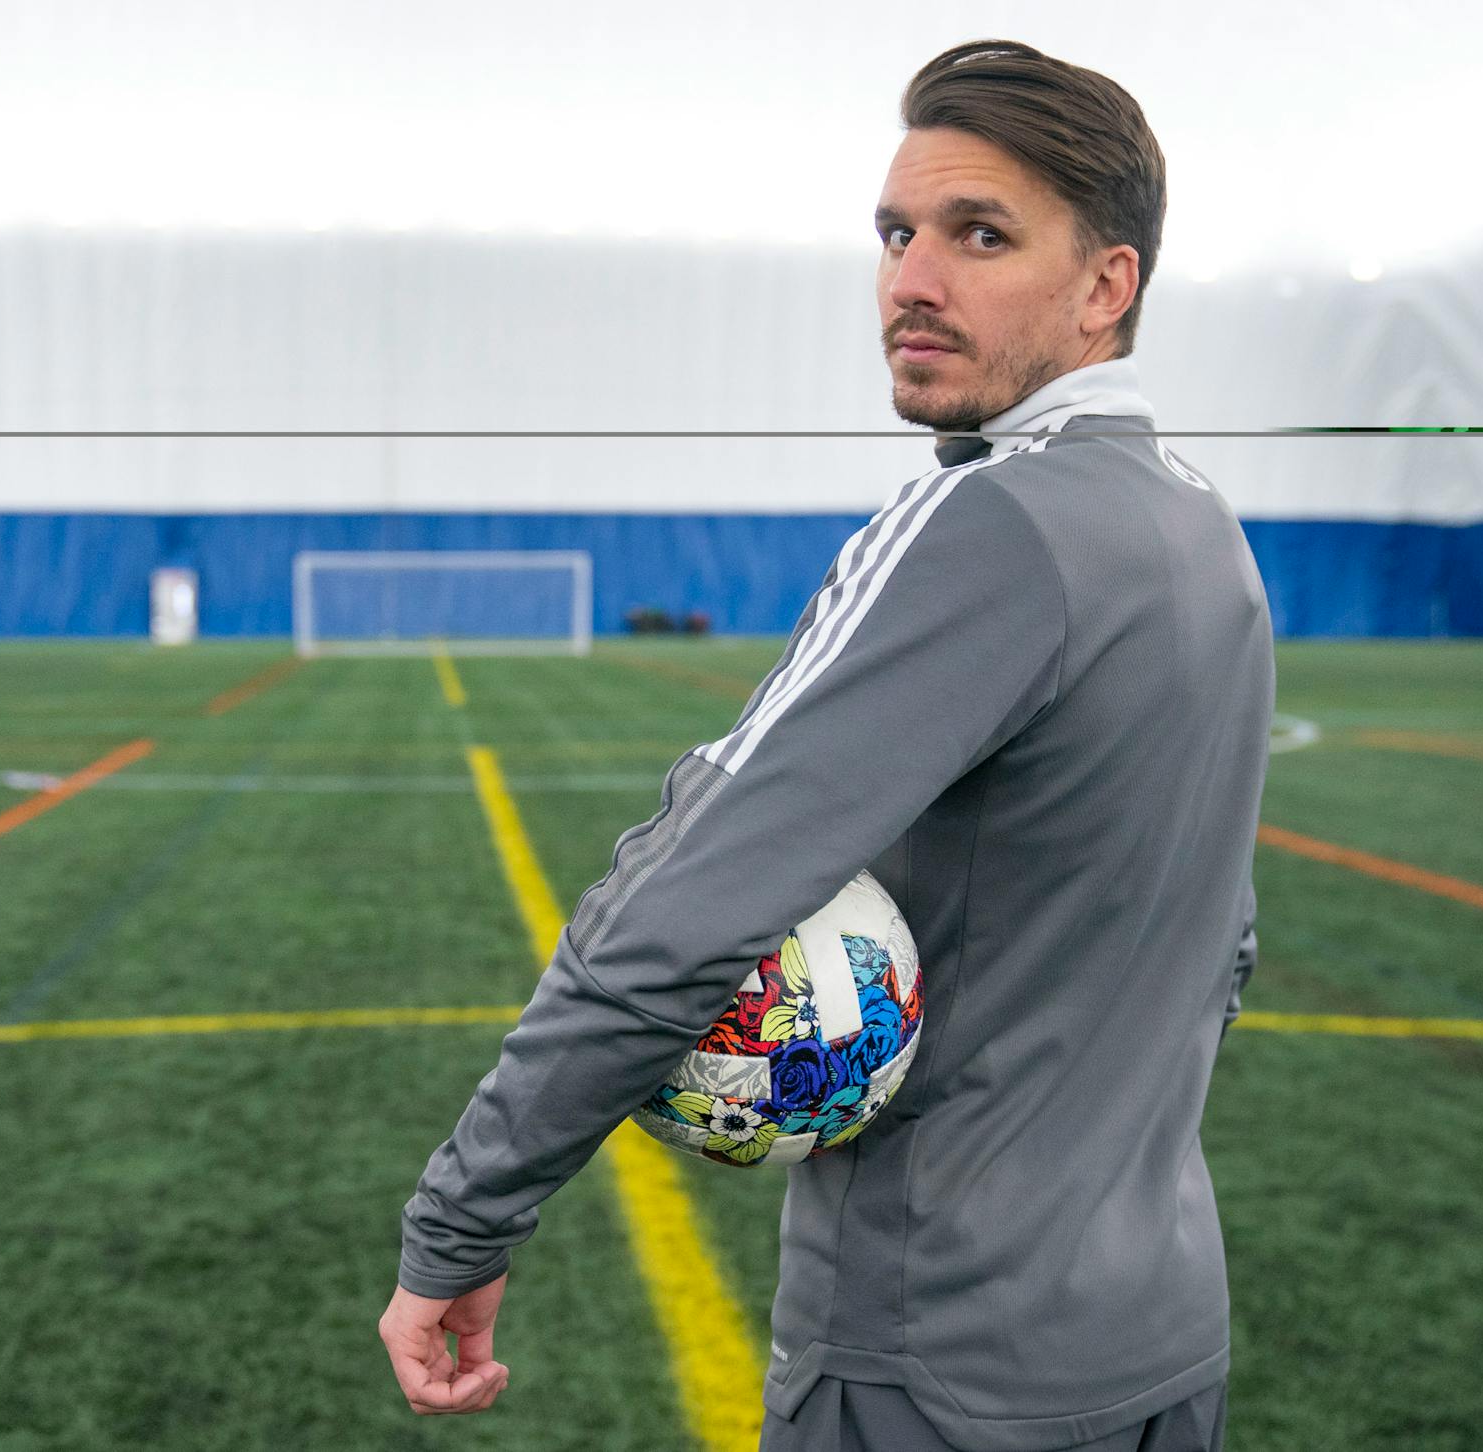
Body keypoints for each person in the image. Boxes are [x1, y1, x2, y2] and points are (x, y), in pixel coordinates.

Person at [380, 38, 1271, 1452]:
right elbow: (1223, 945)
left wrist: (461, 1220)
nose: (913, 279)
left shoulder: (983, 526)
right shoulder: (1203, 527)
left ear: (1108, 288)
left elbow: (681, 904)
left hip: (940, 1362)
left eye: (982, 236)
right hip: (1157, 1345)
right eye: (897, 233)